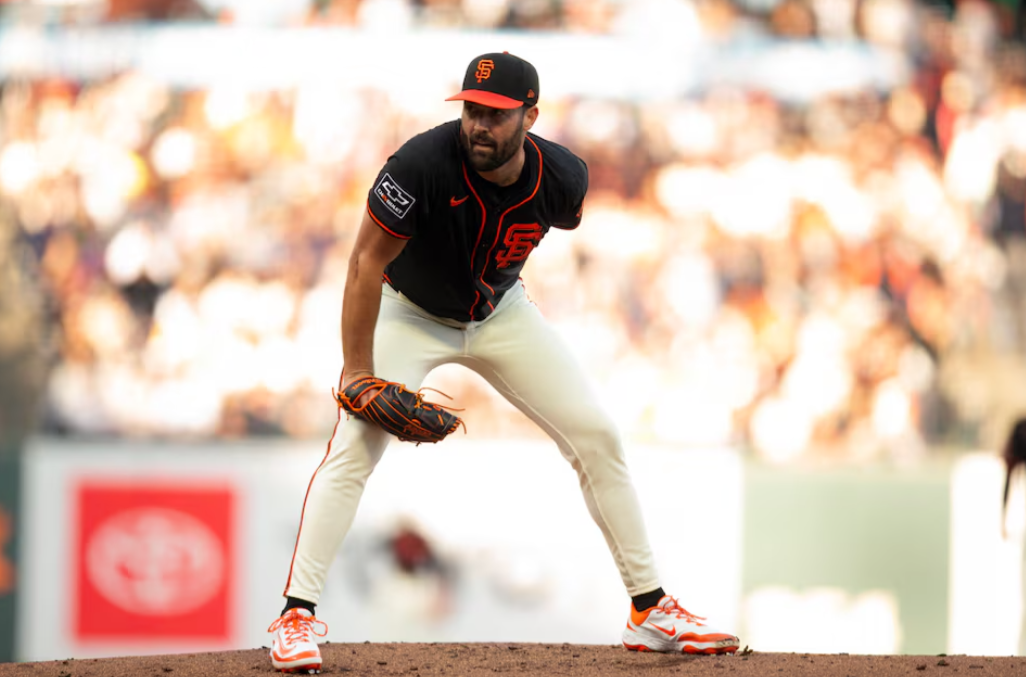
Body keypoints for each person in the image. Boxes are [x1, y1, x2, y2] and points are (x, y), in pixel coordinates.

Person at [267, 52, 741, 674]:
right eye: (470, 109)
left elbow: (526, 231)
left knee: (596, 433)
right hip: (407, 311)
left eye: (495, 113)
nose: (478, 124)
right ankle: (296, 616)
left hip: (500, 313)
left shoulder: (563, 177)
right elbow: (363, 263)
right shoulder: (420, 164)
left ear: (531, 116)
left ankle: (648, 610)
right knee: (356, 443)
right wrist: (357, 371)